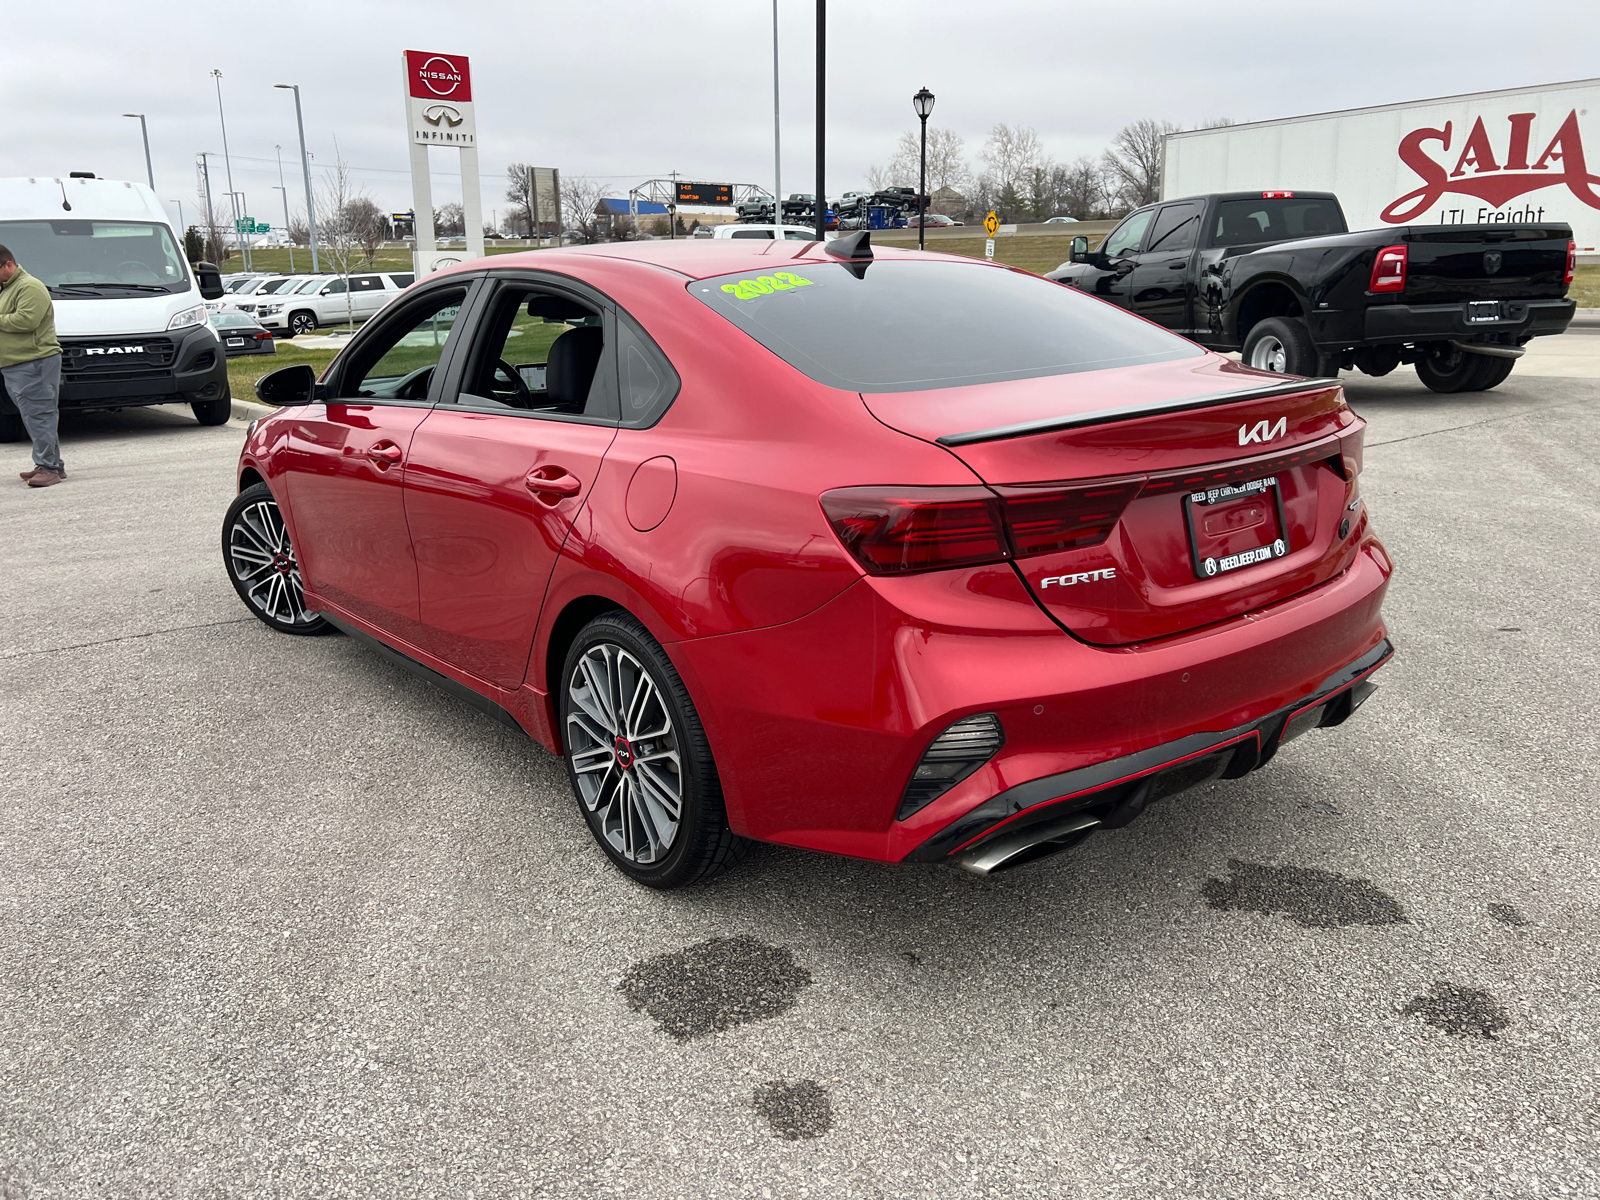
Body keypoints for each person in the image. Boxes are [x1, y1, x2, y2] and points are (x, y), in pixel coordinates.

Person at [0, 245, 65, 488]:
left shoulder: (29, 286)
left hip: (33, 362)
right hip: (17, 363)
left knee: (39, 415)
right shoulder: (8, 288)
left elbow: (27, 320)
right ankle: (52, 464)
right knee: (36, 415)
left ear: (9, 264)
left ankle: (48, 468)